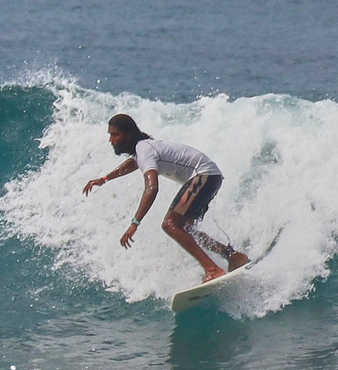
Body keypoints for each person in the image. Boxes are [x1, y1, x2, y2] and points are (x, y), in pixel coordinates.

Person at [83, 113, 250, 281]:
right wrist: (104, 179)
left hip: (204, 175)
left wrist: (135, 223)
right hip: (211, 177)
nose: (111, 140)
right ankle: (233, 256)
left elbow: (152, 188)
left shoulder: (144, 149)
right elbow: (133, 163)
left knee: (170, 224)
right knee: (184, 229)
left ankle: (212, 269)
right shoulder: (142, 150)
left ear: (128, 134)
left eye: (114, 135)